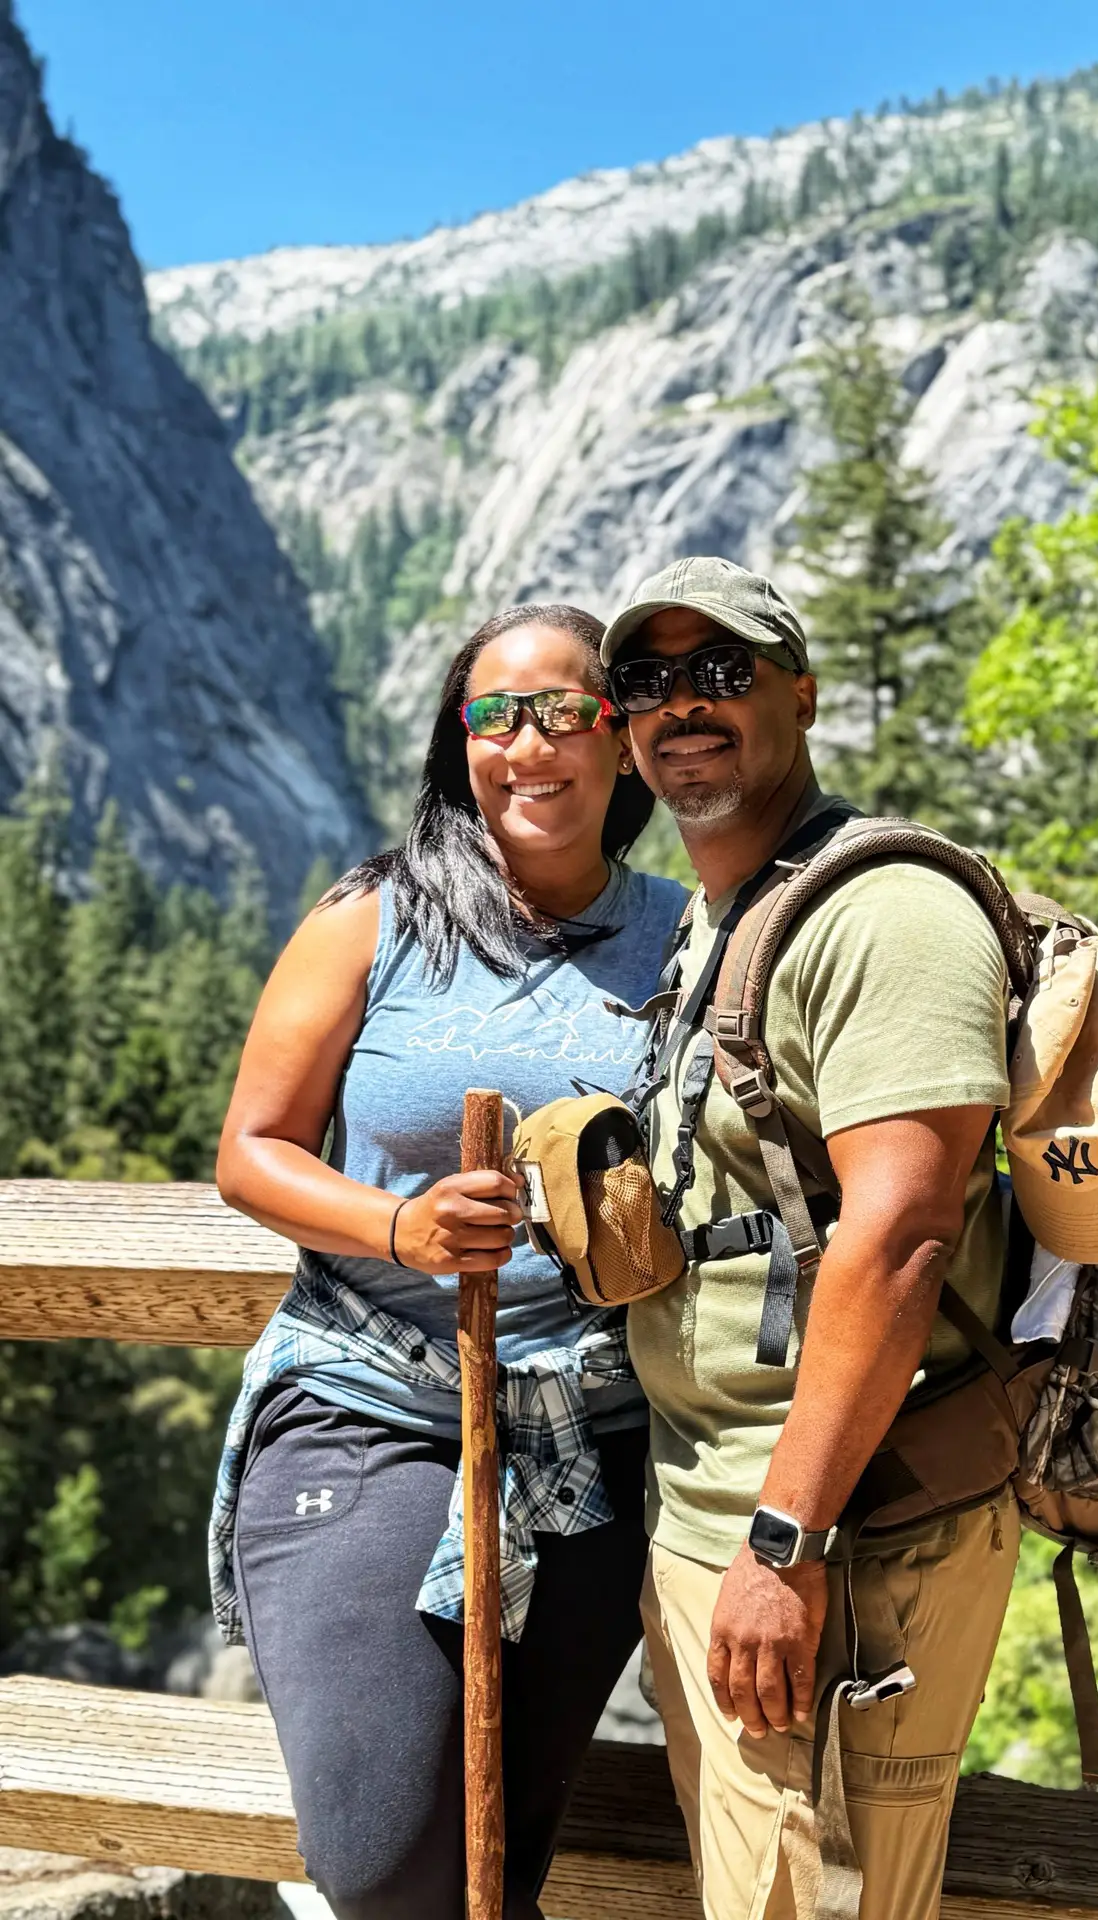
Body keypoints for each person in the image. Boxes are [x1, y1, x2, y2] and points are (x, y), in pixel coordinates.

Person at [210, 603, 688, 1920]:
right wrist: (401, 1227)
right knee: (388, 1858)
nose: (528, 745)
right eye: (495, 716)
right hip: (370, 1406)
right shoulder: (376, 918)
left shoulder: (686, 940)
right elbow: (251, 1150)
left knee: (496, 1868)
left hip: (594, 1438)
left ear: (622, 741)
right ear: (456, 744)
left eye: (564, 711)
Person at [602, 557, 1021, 1920]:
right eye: (649, 681)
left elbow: (899, 1236)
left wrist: (783, 1547)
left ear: (801, 693)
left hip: (844, 1539)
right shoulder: (725, 913)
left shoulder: (886, 915)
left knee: (822, 1903)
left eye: (721, 670)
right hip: (720, 1516)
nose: (684, 705)